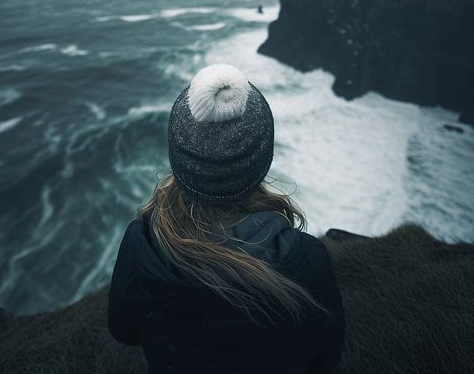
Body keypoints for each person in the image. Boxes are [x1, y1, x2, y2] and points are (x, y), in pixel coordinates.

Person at [108, 63, 345, 373]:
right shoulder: (305, 260)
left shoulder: (142, 247)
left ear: (180, 159)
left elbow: (123, 331)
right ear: (261, 159)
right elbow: (326, 357)